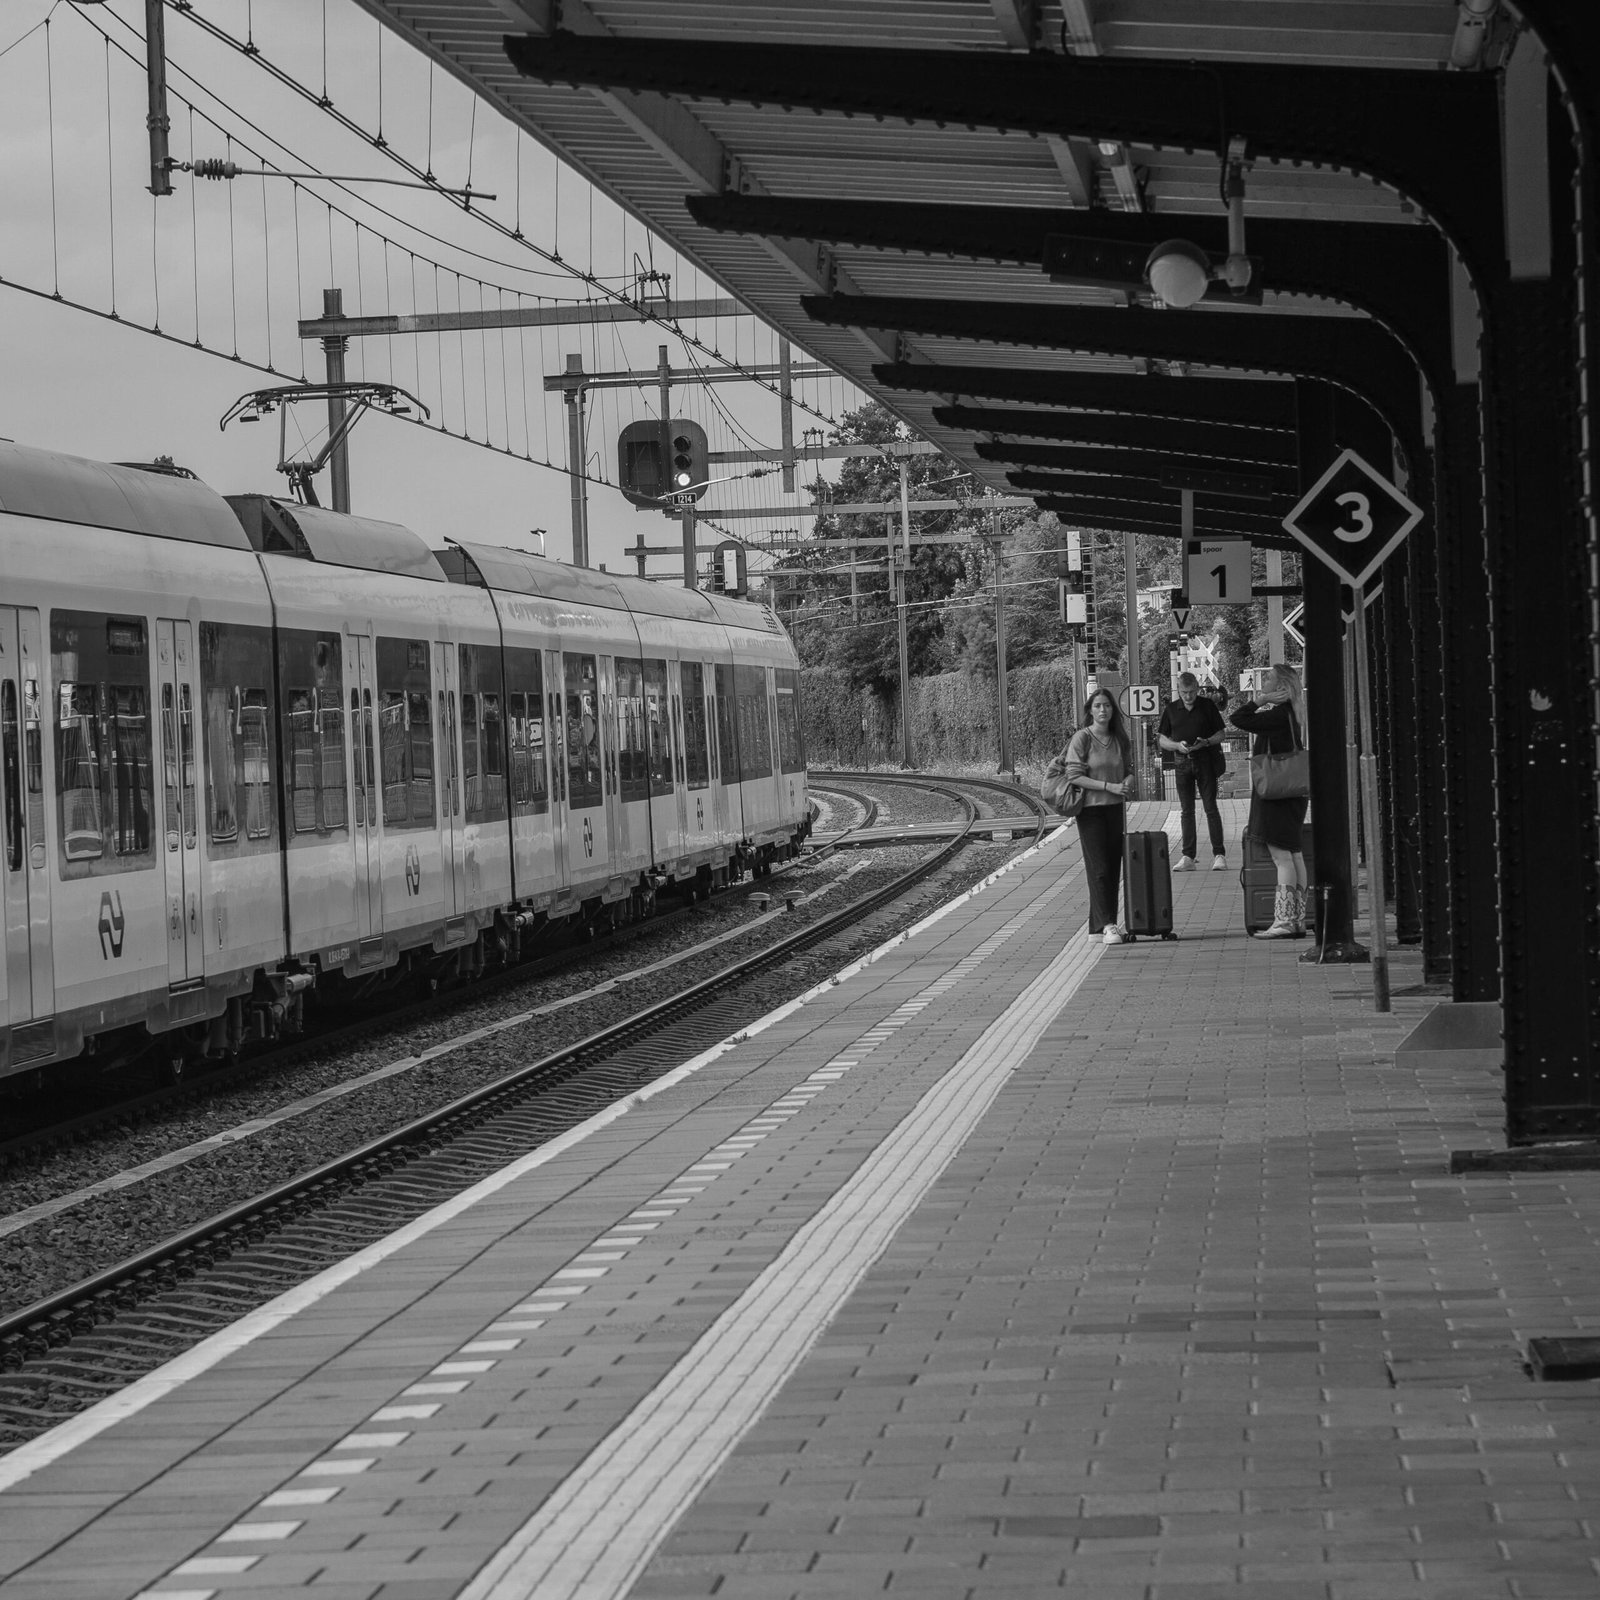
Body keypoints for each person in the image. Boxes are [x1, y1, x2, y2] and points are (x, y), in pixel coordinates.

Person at [1228, 664, 1309, 939]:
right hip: (1294, 793)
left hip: (1277, 794)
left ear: (1280, 687)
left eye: (1269, 678)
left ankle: (1284, 921)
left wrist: (1259, 701)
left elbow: (1238, 718)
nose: (1264, 681)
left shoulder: (1277, 715)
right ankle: (1297, 919)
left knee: (1281, 857)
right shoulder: (1293, 713)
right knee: (1294, 853)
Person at [1063, 687, 1135, 945]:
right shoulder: (1082, 738)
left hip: (1115, 808)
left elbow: (1128, 769)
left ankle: (1097, 926)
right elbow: (1074, 776)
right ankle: (1110, 925)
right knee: (1100, 867)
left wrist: (1126, 781)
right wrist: (1109, 787)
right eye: (1097, 706)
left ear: (1113, 710)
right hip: (1090, 810)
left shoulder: (1119, 739)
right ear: (1090, 711)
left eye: (1106, 705)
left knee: (1113, 866)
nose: (1103, 710)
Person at [1157, 671, 1228, 872]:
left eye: (1191, 692)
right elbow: (1162, 739)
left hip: (1205, 760)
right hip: (1182, 762)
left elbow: (1221, 734)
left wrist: (1206, 742)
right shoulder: (1171, 710)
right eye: (1184, 692)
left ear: (1197, 689)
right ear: (1178, 690)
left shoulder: (1207, 707)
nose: (1188, 697)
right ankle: (1188, 855)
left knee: (1210, 807)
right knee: (1186, 810)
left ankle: (1219, 854)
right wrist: (1177, 746)